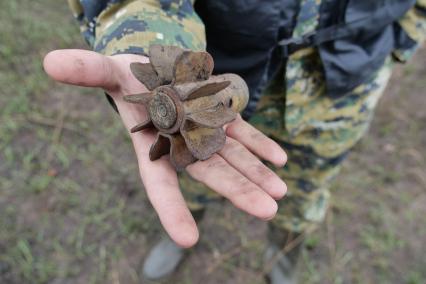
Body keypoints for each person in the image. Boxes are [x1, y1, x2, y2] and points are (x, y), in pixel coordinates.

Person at [44, 0, 425, 283]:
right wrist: (147, 38)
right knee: (194, 181)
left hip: (342, 79)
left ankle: (283, 253)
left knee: (304, 190)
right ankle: (180, 236)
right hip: (224, 59)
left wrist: (405, 35)